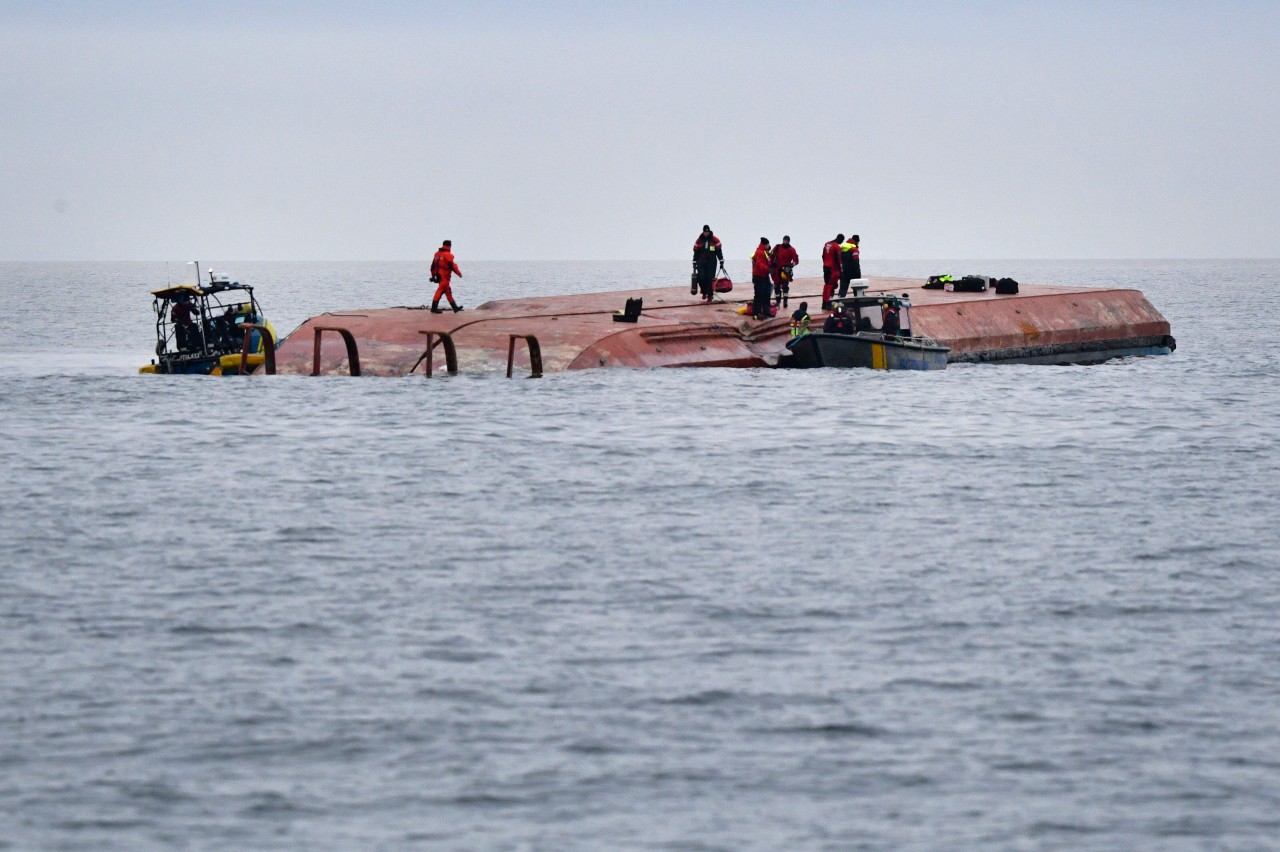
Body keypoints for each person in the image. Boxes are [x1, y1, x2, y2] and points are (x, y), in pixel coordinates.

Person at [429, 240, 463, 313]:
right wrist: (459, 273)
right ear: (450, 246)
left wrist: (433, 276)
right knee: (440, 291)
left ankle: (455, 308)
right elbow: (452, 266)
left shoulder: (437, 254)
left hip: (439, 276)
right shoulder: (448, 255)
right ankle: (434, 308)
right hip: (444, 277)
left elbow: (432, 266)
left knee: (448, 291)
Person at [692, 225, 724, 302]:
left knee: (710, 279)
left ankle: (710, 295)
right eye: (705, 231)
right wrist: (694, 261)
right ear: (703, 231)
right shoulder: (699, 240)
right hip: (701, 262)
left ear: (709, 231)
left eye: (707, 231)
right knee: (701, 278)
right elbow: (696, 252)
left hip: (711, 262)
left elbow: (719, 251)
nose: (706, 233)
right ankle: (703, 292)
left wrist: (721, 261)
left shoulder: (715, 240)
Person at [771, 235, 799, 308]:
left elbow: (796, 260)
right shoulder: (777, 247)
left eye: (787, 241)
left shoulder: (792, 250)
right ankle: (778, 300)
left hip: (785, 270)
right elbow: (771, 256)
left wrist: (791, 265)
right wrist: (770, 266)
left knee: (785, 286)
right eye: (784, 240)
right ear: (782, 240)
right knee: (776, 285)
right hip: (777, 269)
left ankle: (785, 301)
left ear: (789, 241)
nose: (785, 242)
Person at [821, 233, 844, 310]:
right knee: (831, 286)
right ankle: (828, 303)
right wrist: (841, 271)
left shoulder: (827, 244)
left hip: (826, 267)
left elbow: (823, 255)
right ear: (840, 240)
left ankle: (824, 303)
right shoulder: (837, 247)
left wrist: (825, 264)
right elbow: (838, 260)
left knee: (826, 285)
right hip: (832, 269)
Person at [751, 238, 773, 320]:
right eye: (767, 244)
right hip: (759, 276)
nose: (768, 246)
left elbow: (767, 261)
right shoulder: (760, 252)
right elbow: (760, 264)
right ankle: (756, 313)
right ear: (765, 244)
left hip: (765, 276)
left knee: (767, 294)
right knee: (759, 295)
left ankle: (766, 311)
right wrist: (768, 269)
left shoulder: (764, 252)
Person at [839, 234, 861, 299]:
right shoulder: (854, 249)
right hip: (853, 272)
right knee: (857, 289)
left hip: (844, 271)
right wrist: (858, 273)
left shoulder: (842, 248)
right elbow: (856, 262)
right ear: (856, 241)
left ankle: (840, 302)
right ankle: (857, 303)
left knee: (843, 289)